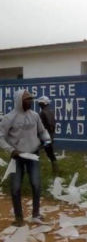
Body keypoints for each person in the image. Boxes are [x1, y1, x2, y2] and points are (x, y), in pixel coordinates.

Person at [0, 89, 53, 226]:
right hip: (17, 157)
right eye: (27, 99)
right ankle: (19, 218)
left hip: (33, 155)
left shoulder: (35, 115)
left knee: (36, 185)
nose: (31, 101)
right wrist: (11, 150)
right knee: (15, 188)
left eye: (31, 98)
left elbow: (42, 131)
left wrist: (46, 140)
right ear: (19, 101)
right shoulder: (9, 118)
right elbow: (1, 137)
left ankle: (36, 215)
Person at [36, 96, 58, 175]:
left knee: (34, 151)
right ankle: (55, 169)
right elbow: (53, 125)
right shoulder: (51, 112)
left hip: (44, 136)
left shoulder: (42, 113)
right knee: (50, 153)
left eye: (40, 103)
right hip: (50, 136)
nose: (39, 104)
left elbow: (40, 126)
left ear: (43, 104)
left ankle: (33, 170)